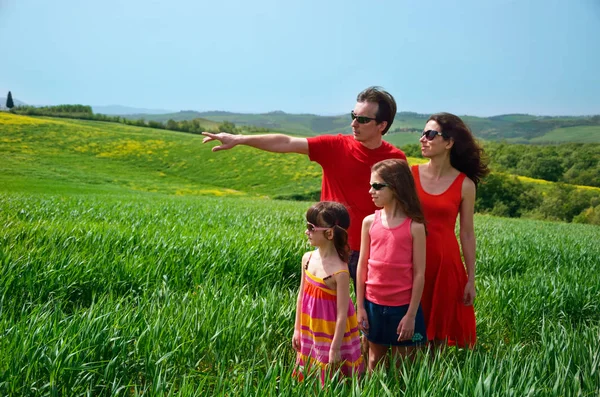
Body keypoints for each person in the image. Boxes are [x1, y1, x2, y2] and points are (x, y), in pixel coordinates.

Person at [202, 87, 407, 286]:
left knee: (369, 316)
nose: (354, 123)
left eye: (362, 119)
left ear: (382, 125)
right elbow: (287, 142)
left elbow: (403, 206)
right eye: (353, 115)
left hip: (374, 250)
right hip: (332, 247)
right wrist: (239, 139)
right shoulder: (335, 146)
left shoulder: (396, 160)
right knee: (326, 314)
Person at [411, 112, 489, 348]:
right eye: (423, 133)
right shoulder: (409, 174)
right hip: (411, 262)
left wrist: (470, 278)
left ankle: (433, 383)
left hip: (445, 266)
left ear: (449, 142)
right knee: (412, 336)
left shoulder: (465, 184)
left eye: (430, 134)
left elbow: (466, 232)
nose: (423, 139)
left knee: (439, 340)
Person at [355, 159, 427, 371]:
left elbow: (419, 274)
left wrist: (411, 315)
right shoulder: (369, 222)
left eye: (377, 186)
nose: (371, 191)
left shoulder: (415, 227)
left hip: (403, 308)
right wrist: (360, 307)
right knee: (373, 362)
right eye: (370, 185)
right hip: (372, 305)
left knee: (402, 366)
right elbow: (362, 267)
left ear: (396, 187)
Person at [292, 201, 364, 385]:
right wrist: (297, 330)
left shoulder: (340, 271)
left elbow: (342, 315)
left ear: (329, 233)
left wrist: (335, 348)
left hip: (330, 335)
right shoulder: (307, 259)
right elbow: (301, 296)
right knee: (309, 375)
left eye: (311, 227)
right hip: (310, 329)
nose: (306, 231)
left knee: (331, 381)